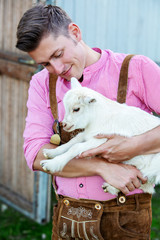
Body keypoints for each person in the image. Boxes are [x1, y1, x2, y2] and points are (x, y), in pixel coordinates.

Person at [16, 4, 160, 240]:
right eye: (46, 63)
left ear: (75, 32)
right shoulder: (42, 85)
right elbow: (36, 154)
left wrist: (134, 146)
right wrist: (102, 167)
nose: (57, 69)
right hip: (68, 220)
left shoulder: (136, 69)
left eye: (58, 54)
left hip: (126, 222)